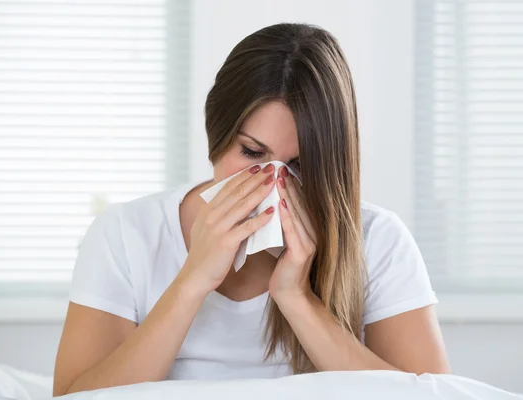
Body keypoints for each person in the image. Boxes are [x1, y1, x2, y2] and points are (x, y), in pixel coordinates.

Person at [53, 22, 450, 396]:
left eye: (299, 164)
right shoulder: (125, 234)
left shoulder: (378, 240)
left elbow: (434, 396)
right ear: (216, 135)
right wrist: (192, 281)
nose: (274, 182)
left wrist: (297, 298)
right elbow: (74, 398)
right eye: (252, 152)